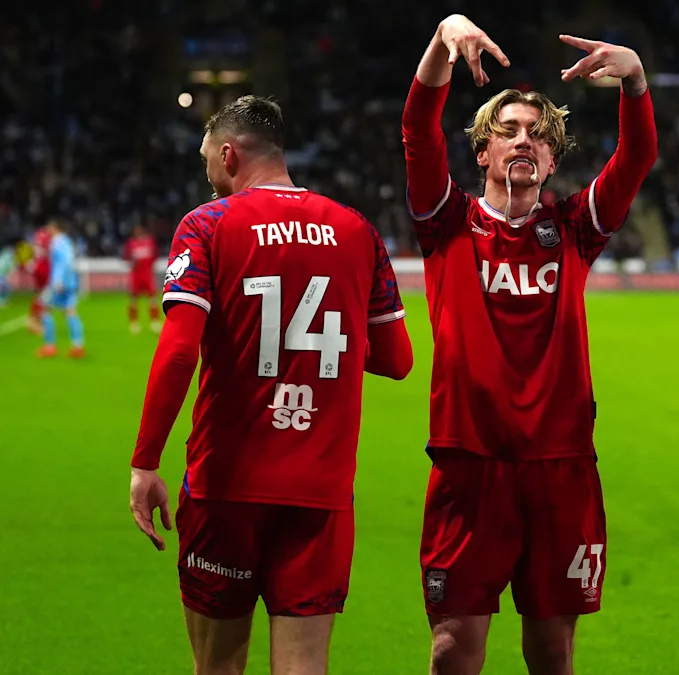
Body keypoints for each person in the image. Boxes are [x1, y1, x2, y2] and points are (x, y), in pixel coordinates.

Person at [403, 13, 657, 675]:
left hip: (560, 466)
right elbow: (416, 130)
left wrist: (634, 80)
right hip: (469, 463)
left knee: (552, 653)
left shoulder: (575, 227)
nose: (524, 140)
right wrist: (441, 38)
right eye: (508, 130)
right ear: (481, 151)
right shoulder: (447, 219)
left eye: (539, 135)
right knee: (453, 651)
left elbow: (635, 160)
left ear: (552, 158)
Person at [127, 95, 414, 675]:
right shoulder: (357, 229)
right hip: (321, 490)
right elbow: (397, 359)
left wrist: (145, 461)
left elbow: (179, 348)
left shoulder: (207, 224)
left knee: (218, 667)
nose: (209, 178)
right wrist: (310, 344)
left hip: (226, 486)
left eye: (209, 163)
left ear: (229, 154)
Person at [37, 220, 85, 358]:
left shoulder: (58, 242)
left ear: (55, 228)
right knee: (70, 312)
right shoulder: (66, 242)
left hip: (59, 283)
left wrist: (59, 280)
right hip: (69, 282)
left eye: (49, 227)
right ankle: (77, 346)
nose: (47, 230)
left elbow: (64, 262)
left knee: (45, 309)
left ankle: (50, 346)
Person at [124, 224, 161, 333]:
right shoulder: (131, 243)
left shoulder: (150, 242)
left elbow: (155, 256)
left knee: (153, 299)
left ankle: (155, 322)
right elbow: (127, 257)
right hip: (136, 275)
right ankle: (134, 323)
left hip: (148, 275)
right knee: (133, 300)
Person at [26, 225, 51, 334]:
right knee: (45, 297)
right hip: (43, 267)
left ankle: (36, 321)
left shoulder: (37, 237)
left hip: (38, 267)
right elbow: (46, 252)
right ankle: (34, 321)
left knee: (44, 296)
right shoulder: (46, 237)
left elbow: (35, 251)